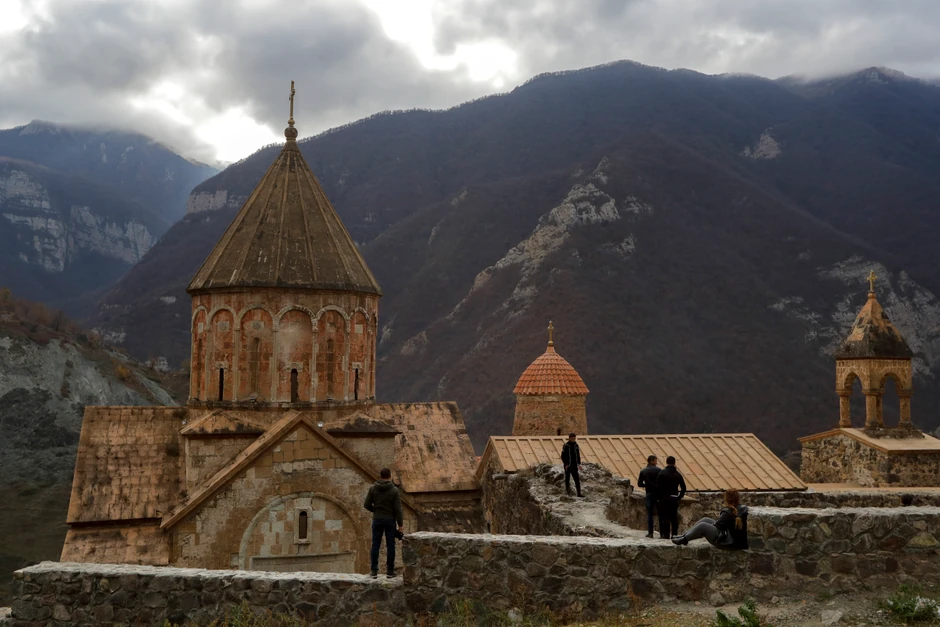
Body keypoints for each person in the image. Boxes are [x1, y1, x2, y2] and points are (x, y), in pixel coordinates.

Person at [671, 489, 749, 550]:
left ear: (727, 499)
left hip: (729, 542)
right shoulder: (743, 509)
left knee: (703, 525)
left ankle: (685, 539)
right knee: (706, 519)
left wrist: (708, 528)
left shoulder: (728, 511)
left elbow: (718, 525)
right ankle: (685, 535)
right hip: (737, 541)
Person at [363, 468, 404, 578]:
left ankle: (374, 571)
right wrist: (400, 525)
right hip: (390, 520)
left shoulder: (373, 489)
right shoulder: (394, 491)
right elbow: (398, 509)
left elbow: (366, 505)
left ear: (380, 476)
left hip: (377, 520)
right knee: (391, 545)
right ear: (390, 476)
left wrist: (376, 511)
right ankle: (390, 571)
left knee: (375, 545)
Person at [656, 456, 686, 539]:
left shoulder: (662, 473)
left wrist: (658, 498)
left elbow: (658, 487)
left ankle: (665, 534)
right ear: (674, 463)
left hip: (664, 498)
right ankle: (674, 534)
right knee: (674, 517)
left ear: (666, 462)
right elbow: (683, 488)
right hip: (674, 498)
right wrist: (679, 497)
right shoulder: (678, 474)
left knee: (664, 516)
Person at [637, 455, 661, 538]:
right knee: (660, 513)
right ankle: (662, 533)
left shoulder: (643, 471)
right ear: (651, 461)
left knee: (650, 514)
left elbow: (639, 484)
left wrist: (647, 484)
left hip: (649, 493)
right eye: (655, 461)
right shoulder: (659, 470)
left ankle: (650, 533)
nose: (656, 462)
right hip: (658, 494)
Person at [560, 432, 583, 497]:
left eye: (574, 438)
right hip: (568, 465)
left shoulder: (576, 445)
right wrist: (566, 464)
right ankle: (568, 492)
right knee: (567, 479)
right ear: (569, 438)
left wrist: (579, 464)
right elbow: (562, 456)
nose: (573, 440)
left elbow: (578, 455)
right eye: (572, 438)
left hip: (575, 465)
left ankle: (579, 493)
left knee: (577, 479)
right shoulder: (566, 446)